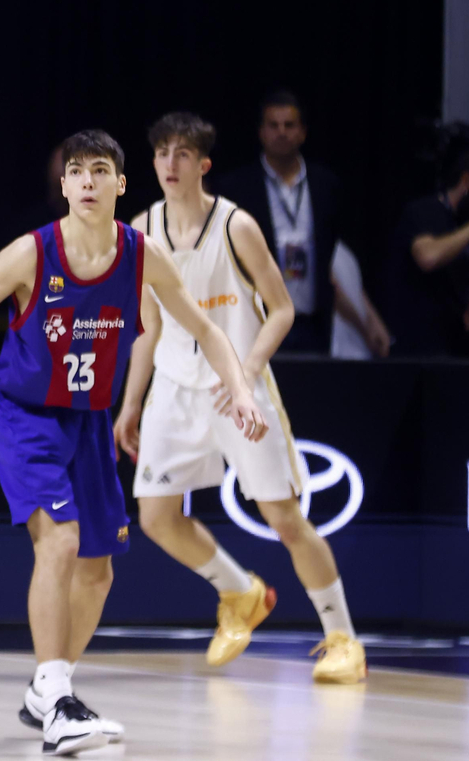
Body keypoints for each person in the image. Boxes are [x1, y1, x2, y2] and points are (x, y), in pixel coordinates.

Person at [0, 130, 268, 755]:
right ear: (63, 186)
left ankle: (49, 692)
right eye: (75, 171)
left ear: (120, 185)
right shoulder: (32, 253)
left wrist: (240, 389)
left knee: (99, 571)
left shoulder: (141, 255)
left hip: (89, 421)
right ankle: (56, 698)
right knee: (60, 539)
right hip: (26, 415)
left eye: (99, 170)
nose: (85, 181)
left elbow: (208, 330)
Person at [115, 113, 367, 685]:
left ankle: (343, 639)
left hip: (239, 391)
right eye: (161, 154)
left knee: (284, 517)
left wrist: (246, 375)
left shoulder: (237, 226)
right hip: (173, 389)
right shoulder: (141, 229)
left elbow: (282, 308)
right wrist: (131, 403)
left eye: (182, 154)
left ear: (203, 165)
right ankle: (240, 592)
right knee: (155, 515)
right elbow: (147, 327)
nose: (170, 164)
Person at [220, 91, 389, 356]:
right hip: (259, 320)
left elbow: (329, 258)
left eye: (289, 125)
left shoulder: (325, 185)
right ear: (261, 132)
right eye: (273, 126)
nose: (281, 133)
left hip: (313, 322)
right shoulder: (238, 187)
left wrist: (368, 322)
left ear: (303, 132)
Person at [386, 148, 469, 357]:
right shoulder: (426, 212)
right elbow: (428, 257)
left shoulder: (464, 228)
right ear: (467, 181)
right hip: (418, 349)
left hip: (455, 347)